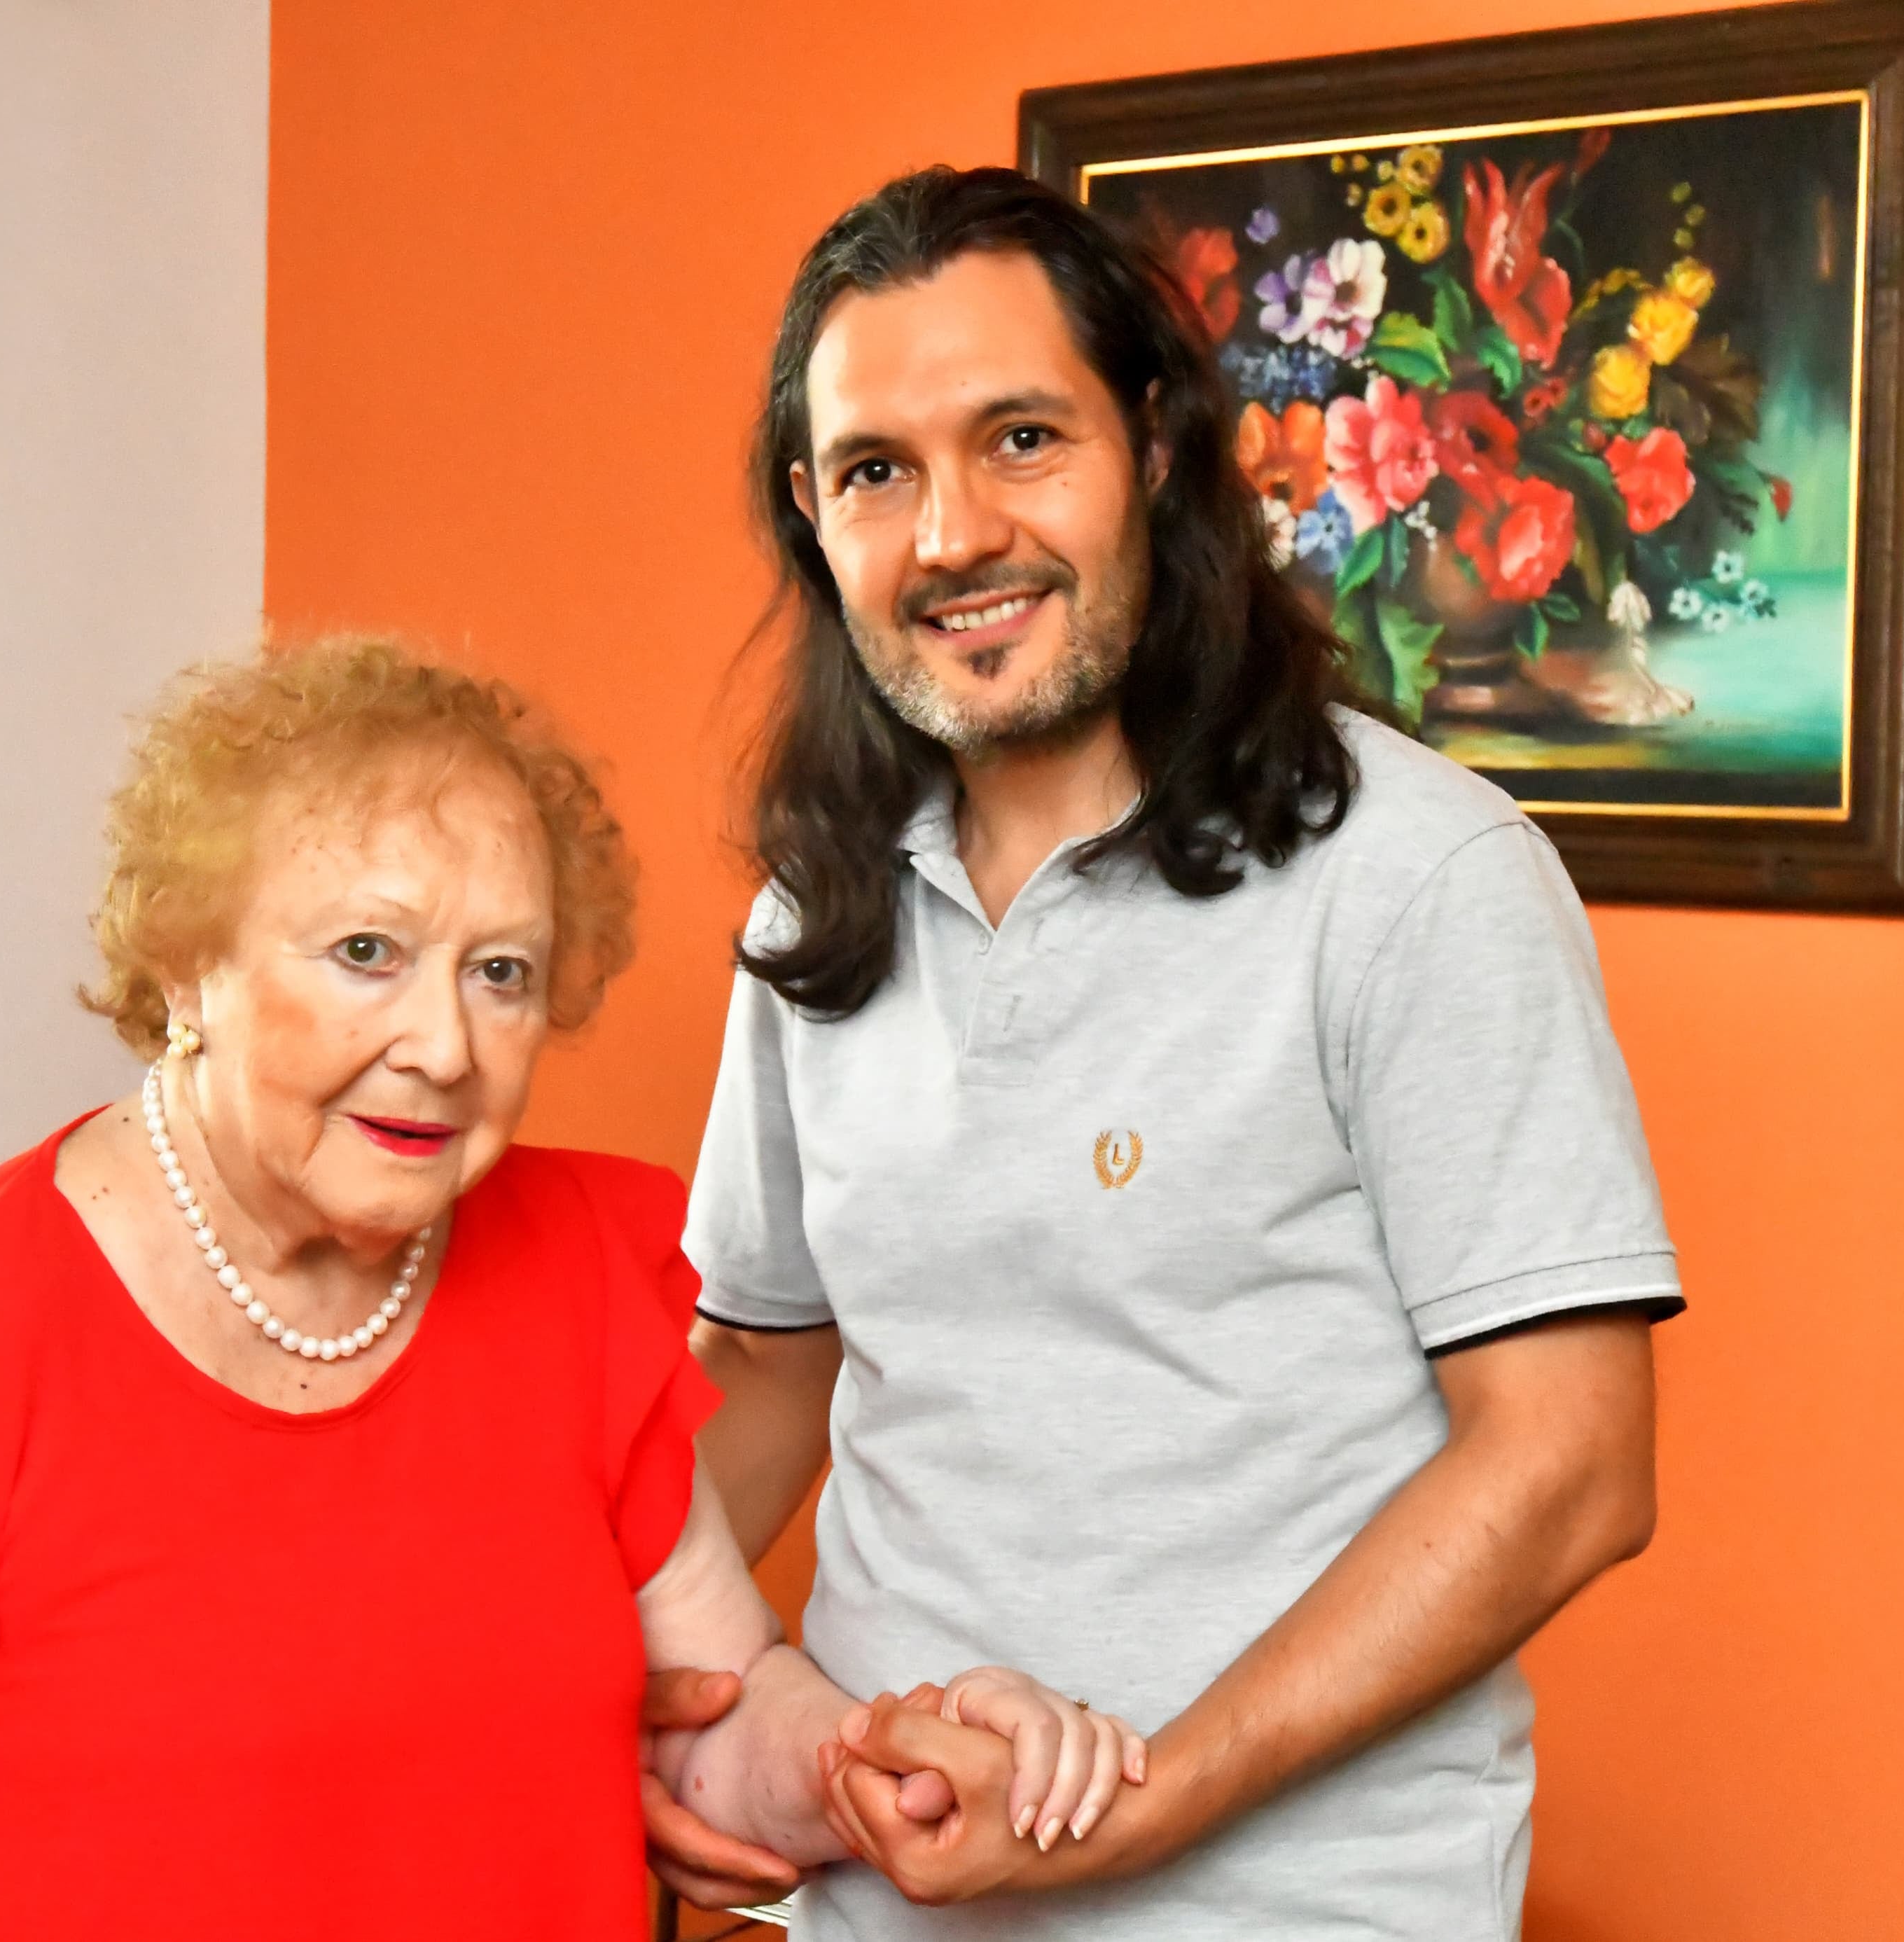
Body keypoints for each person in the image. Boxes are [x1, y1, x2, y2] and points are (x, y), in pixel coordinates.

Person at [0, 640, 1140, 1940]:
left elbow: (714, 1715)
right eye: (367, 953)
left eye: (500, 971)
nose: (443, 1042)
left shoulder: (570, 1277)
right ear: (192, 965)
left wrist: (878, 1758)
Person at [665, 167, 1683, 1938]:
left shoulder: (1418, 877)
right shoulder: (814, 912)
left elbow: (1570, 1462)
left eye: (1020, 440)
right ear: (814, 526)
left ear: (1150, 445)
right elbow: (761, 1373)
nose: (953, 534)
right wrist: (656, 1717)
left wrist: (1142, 1799)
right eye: (876, 473)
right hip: (872, 1897)